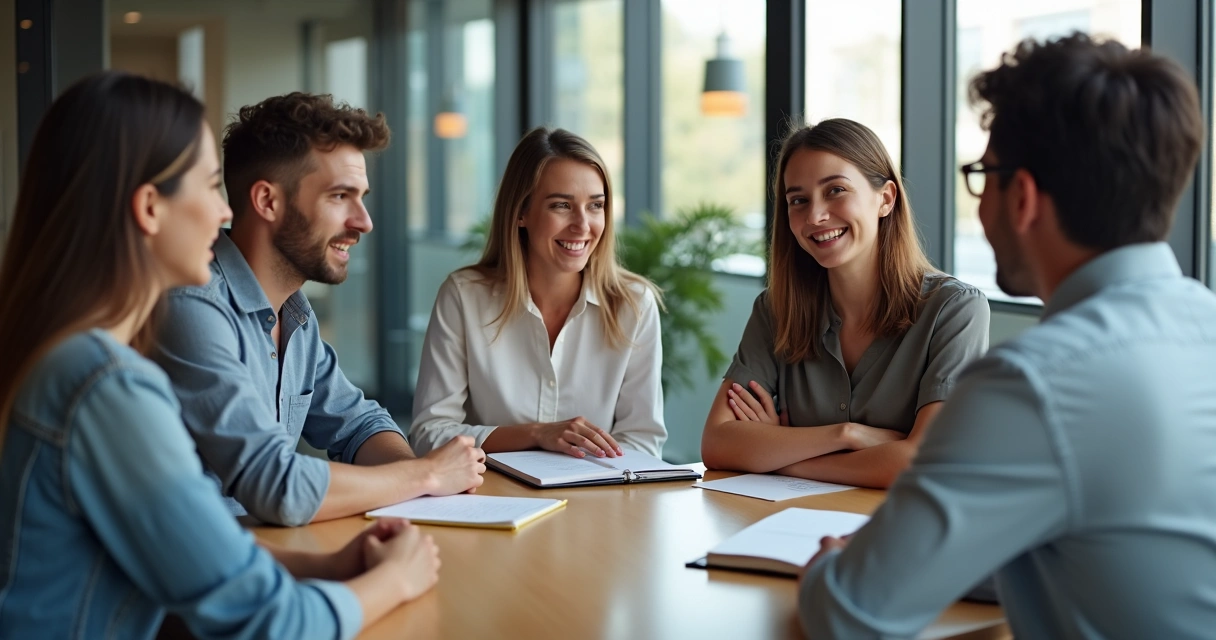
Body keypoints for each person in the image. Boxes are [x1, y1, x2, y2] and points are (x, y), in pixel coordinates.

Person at [799, 34, 1216, 638]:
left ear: (1020, 197)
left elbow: (850, 615)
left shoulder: (1033, 383)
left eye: (982, 175)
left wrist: (834, 565)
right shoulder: (1203, 326)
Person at [0, 72, 439, 640]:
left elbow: (177, 554)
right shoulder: (105, 385)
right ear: (150, 209)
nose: (224, 214)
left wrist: (328, 566)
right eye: (211, 188)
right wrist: (395, 580)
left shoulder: (74, 361)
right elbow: (269, 624)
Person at [153, 92, 485, 526]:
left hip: (273, 559)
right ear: (268, 202)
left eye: (361, 197)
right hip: (203, 577)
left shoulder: (294, 313)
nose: (363, 221)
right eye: (339, 196)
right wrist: (424, 473)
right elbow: (276, 485)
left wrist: (419, 483)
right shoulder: (193, 308)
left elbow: (358, 424)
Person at [700, 118, 990, 488]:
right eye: (798, 200)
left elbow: (926, 462)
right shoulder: (776, 310)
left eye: (835, 190)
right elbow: (718, 444)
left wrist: (780, 457)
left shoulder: (955, 310)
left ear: (885, 198)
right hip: (791, 529)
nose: (815, 216)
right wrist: (847, 435)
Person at [409, 127, 666, 459]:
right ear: (521, 212)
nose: (583, 225)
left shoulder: (634, 304)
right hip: (491, 497)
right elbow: (430, 433)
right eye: (562, 205)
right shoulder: (464, 297)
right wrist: (535, 434)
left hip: (595, 498)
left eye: (595, 206)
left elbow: (643, 442)